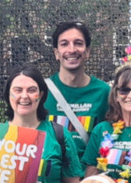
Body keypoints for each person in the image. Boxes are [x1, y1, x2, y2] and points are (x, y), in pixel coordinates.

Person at [43, 21, 111, 159]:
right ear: (56, 53)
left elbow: (115, 137)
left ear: (87, 52)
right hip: (52, 176)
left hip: (90, 176)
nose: (72, 49)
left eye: (78, 43)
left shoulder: (105, 92)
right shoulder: (41, 91)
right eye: (64, 44)